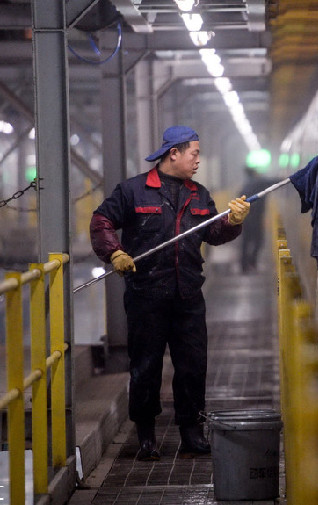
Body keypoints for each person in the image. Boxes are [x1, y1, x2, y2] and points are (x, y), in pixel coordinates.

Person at [89, 125, 250, 461]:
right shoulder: (133, 191)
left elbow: (214, 234)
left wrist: (233, 221)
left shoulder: (199, 194)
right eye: (194, 153)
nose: (197, 161)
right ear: (173, 153)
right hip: (146, 295)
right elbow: (102, 220)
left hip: (188, 294)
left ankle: (191, 431)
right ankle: (146, 436)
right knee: (145, 366)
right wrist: (114, 252)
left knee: (193, 365)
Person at [238, 166, 272, 273]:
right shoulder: (258, 182)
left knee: (246, 242)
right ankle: (252, 262)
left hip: (245, 218)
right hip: (255, 218)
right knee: (258, 240)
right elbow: (274, 182)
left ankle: (244, 265)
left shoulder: (246, 184)